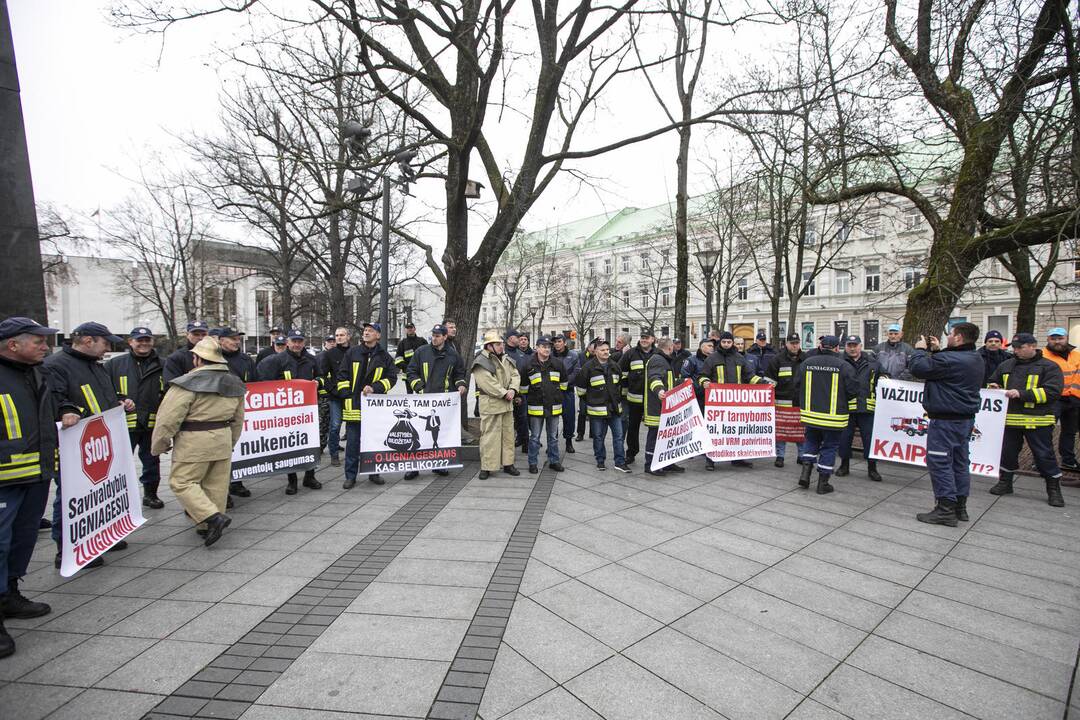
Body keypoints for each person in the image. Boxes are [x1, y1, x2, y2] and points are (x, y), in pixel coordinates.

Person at [42, 322, 132, 568]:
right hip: (74, 445)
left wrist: (120, 401)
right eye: (105, 343)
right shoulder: (56, 366)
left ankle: (100, 536)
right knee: (72, 496)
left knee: (100, 493)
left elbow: (105, 396)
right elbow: (56, 401)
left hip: (98, 441)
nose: (108, 348)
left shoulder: (94, 366)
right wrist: (69, 410)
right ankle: (66, 548)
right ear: (88, 341)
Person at [0, 318, 61, 658]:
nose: (45, 346)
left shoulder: (38, 373)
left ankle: (9, 594)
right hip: (4, 481)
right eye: (38, 341)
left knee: (22, 541)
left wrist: (67, 409)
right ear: (13, 344)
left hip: (36, 476)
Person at [151, 337, 246, 546]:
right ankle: (206, 525)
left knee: (182, 481)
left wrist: (159, 444)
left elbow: (168, 418)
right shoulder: (234, 382)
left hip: (194, 441)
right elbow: (239, 419)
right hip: (222, 437)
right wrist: (231, 441)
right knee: (216, 485)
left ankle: (211, 517)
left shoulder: (186, 384)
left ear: (197, 359)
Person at [909, 322, 984, 526]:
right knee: (960, 463)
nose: (948, 337)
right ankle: (960, 506)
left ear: (958, 338)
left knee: (940, 462)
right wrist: (937, 352)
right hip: (964, 419)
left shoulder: (949, 359)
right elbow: (946, 369)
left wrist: (919, 350)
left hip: (945, 421)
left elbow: (918, 368)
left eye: (951, 334)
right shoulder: (975, 357)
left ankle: (945, 509)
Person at [986, 333, 1065, 507]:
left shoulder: (1049, 367)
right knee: (1007, 453)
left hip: (1037, 421)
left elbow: (1052, 392)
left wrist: (1022, 394)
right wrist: (993, 387)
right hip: (1010, 420)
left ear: (1032, 346)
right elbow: (992, 381)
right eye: (1014, 347)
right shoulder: (1006, 365)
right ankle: (1005, 483)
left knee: (1044, 455)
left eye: (1020, 347)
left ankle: (1053, 489)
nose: (1016, 350)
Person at [105, 326, 166, 508]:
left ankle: (150, 494)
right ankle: (119, 498)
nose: (144, 343)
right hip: (124, 425)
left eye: (147, 339)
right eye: (139, 340)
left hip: (152, 423)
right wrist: (119, 399)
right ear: (130, 342)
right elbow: (105, 389)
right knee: (120, 463)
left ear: (152, 342)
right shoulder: (115, 364)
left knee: (152, 461)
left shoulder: (163, 364)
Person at [258, 329, 324, 495]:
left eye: (300, 341)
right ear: (287, 342)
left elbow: (323, 377)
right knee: (290, 446)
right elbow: (266, 384)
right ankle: (292, 480)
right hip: (287, 414)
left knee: (311, 443)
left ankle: (310, 476)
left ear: (304, 342)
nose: (296, 344)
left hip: (308, 411)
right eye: (293, 341)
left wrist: (318, 382)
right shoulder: (277, 360)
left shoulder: (311, 359)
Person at [793, 335, 858, 495]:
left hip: (810, 415)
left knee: (810, 442)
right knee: (829, 447)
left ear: (821, 347)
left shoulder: (806, 363)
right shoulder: (844, 366)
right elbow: (853, 390)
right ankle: (823, 483)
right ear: (837, 348)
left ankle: (805, 475)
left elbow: (796, 385)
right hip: (834, 417)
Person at [337, 323, 397, 488]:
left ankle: (374, 473)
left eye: (370, 331)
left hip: (374, 408)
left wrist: (375, 388)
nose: (366, 333)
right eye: (365, 331)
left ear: (378, 335)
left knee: (374, 442)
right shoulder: (352, 352)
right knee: (353, 444)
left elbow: (392, 378)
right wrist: (347, 394)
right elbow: (342, 375)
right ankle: (350, 476)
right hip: (354, 406)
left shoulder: (384, 356)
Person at [699, 331, 769, 469]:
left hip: (735, 403)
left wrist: (763, 384)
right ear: (720, 343)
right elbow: (702, 376)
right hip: (716, 404)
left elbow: (750, 376)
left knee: (737, 431)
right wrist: (705, 382)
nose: (726, 344)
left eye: (728, 342)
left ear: (732, 343)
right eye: (724, 342)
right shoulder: (712, 358)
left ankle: (737, 458)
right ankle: (710, 460)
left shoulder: (739, 358)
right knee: (714, 432)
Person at [405, 324, 466, 479]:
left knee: (440, 436)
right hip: (423, 402)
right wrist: (419, 388)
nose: (434, 338)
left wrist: (461, 385)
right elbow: (411, 372)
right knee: (417, 435)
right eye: (433, 335)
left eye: (438, 335)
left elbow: (459, 374)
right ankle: (414, 467)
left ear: (445, 337)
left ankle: (439, 464)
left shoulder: (453, 355)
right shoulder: (421, 352)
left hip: (443, 404)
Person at [835, 335, 885, 482]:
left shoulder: (873, 363)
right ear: (845, 346)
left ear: (860, 346)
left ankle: (872, 468)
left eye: (855, 345)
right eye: (849, 345)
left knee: (869, 439)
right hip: (846, 409)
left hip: (866, 409)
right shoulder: (839, 362)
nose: (852, 348)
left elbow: (885, 375)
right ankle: (844, 466)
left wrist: (884, 378)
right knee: (844, 439)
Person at [472, 330, 520, 479]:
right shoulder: (481, 361)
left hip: (506, 405)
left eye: (501, 343)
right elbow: (487, 383)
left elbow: (515, 375)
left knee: (508, 436)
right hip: (491, 405)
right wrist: (505, 393)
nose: (501, 346)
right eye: (498, 344)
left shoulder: (506, 359)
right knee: (489, 437)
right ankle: (487, 467)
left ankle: (508, 464)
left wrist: (513, 389)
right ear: (489, 346)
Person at [577, 339, 629, 472]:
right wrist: (591, 401)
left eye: (607, 350)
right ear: (595, 352)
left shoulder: (615, 367)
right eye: (602, 350)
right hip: (597, 410)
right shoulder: (588, 368)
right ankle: (600, 460)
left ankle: (620, 462)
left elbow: (620, 386)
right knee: (599, 437)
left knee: (618, 436)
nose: (606, 352)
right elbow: (581, 390)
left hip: (614, 409)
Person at [518, 336, 567, 473]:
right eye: (544, 346)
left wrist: (556, 396)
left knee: (553, 437)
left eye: (548, 347)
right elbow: (523, 388)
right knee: (534, 437)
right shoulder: (528, 365)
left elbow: (564, 384)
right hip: (536, 407)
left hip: (554, 407)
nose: (547, 349)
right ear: (537, 348)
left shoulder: (557, 364)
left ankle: (554, 461)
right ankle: (532, 463)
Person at [765, 333, 806, 468]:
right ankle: (780, 456)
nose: (795, 346)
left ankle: (802, 456)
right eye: (792, 343)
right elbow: (769, 382)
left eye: (797, 343)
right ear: (786, 344)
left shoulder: (806, 359)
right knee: (781, 432)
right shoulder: (777, 360)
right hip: (782, 403)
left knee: (801, 432)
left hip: (800, 402)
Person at [1044, 327, 1080, 476]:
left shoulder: (1077, 355)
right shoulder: (1043, 356)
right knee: (1045, 431)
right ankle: (1041, 460)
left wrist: (1075, 395)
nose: (1057, 341)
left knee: (1069, 432)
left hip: (1074, 399)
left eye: (1060, 338)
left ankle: (1068, 459)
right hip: (1053, 399)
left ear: (1066, 339)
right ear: (1048, 340)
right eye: (1053, 338)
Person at [644, 337, 680, 477]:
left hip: (665, 407)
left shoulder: (664, 360)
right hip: (657, 408)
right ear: (670, 348)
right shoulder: (658, 360)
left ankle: (667, 463)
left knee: (667, 437)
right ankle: (650, 465)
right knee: (654, 437)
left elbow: (668, 381)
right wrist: (659, 391)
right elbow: (654, 378)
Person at [619, 329, 655, 464]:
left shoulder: (658, 354)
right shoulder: (630, 354)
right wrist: (623, 392)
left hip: (653, 399)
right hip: (634, 398)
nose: (644, 340)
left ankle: (654, 453)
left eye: (647, 338)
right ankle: (631, 452)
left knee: (655, 428)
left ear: (653, 339)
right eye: (642, 337)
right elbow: (621, 372)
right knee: (633, 427)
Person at [318, 327, 352, 467]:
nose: (338, 338)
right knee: (335, 426)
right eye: (337, 335)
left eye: (342, 335)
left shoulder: (354, 352)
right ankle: (334, 454)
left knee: (353, 426)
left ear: (348, 337)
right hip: (336, 396)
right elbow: (323, 375)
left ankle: (352, 452)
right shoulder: (329, 354)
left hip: (351, 396)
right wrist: (332, 389)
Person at [551, 335, 580, 454]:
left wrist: (565, 382)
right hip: (553, 392)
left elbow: (576, 371)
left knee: (569, 418)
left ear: (564, 343)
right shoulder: (550, 355)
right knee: (553, 419)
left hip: (567, 392)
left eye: (559, 341)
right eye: (555, 342)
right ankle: (552, 443)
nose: (557, 344)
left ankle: (569, 442)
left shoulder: (573, 355)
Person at [504, 330, 529, 451]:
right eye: (517, 337)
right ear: (510, 338)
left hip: (521, 392)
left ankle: (525, 442)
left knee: (523, 418)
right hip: (506, 393)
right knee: (510, 420)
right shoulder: (503, 352)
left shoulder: (520, 353)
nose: (520, 339)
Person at [574, 339, 598, 443]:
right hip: (584, 389)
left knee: (594, 412)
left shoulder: (599, 356)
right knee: (583, 412)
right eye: (593, 349)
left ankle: (593, 433)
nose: (594, 351)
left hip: (596, 389)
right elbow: (578, 371)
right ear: (588, 347)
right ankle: (580, 433)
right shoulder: (581, 356)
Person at [681, 339, 713, 413]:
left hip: (710, 396)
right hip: (697, 397)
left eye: (712, 346)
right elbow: (685, 377)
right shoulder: (691, 360)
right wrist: (697, 388)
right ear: (702, 347)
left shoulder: (713, 360)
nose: (712, 348)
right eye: (709, 346)